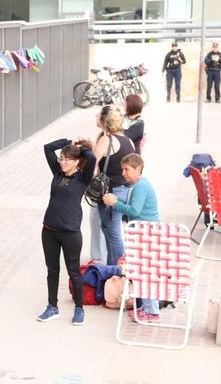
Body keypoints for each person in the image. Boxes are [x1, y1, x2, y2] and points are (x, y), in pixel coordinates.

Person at [37, 138, 96, 325]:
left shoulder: (82, 179)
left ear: (77, 161)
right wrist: (67, 142)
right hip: (49, 231)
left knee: (74, 272)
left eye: (67, 159)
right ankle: (52, 307)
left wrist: (81, 148)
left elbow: (92, 157)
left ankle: (79, 309)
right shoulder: (57, 173)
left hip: (70, 233)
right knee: (52, 270)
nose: (62, 162)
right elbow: (47, 148)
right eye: (61, 158)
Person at [103, 153, 161, 322]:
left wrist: (115, 204)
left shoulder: (140, 186)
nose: (123, 173)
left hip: (146, 234)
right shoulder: (138, 185)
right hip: (144, 233)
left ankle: (152, 311)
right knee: (143, 272)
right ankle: (148, 307)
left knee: (146, 272)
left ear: (138, 169)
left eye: (127, 169)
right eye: (123, 169)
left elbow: (134, 211)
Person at [94, 105, 135, 265]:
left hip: (109, 191)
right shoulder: (129, 141)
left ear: (105, 122)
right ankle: (113, 269)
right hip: (124, 189)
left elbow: (93, 164)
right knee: (111, 230)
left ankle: (119, 270)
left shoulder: (106, 140)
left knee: (113, 232)